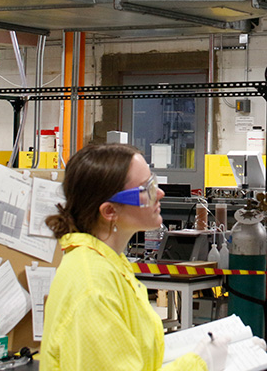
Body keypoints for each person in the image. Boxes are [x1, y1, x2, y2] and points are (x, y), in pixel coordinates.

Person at [42, 143, 233, 371]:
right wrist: (200, 363)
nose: (160, 193)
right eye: (147, 188)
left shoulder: (110, 263)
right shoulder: (93, 287)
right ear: (110, 211)